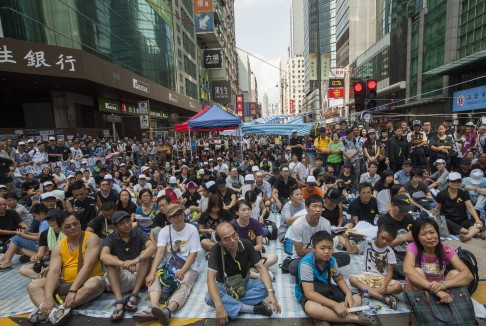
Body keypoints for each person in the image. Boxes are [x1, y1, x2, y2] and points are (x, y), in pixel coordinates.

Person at [26, 213, 105, 325]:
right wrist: (48, 297)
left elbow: (88, 266)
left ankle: (58, 309)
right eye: (68, 226)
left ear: (80, 223)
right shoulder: (59, 246)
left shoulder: (91, 238)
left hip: (88, 282)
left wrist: (73, 290)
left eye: (75, 224)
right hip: (65, 284)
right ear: (61, 230)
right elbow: (54, 272)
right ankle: (53, 312)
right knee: (33, 285)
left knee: (93, 283)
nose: (73, 227)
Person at [295, 231, 379, 325]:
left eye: (330, 248)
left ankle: (325, 317)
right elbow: (309, 293)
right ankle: (354, 318)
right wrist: (335, 305)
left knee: (357, 299)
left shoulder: (331, 260)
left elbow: (338, 279)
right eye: (322, 248)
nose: (327, 251)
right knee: (312, 308)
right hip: (310, 292)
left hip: (326, 288)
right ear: (313, 248)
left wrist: (348, 294)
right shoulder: (306, 264)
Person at [136, 204, 201, 324]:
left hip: (188, 265)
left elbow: (193, 254)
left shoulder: (192, 229)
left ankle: (168, 310)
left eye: (180, 214)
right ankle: (154, 308)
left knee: (185, 283)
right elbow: (160, 252)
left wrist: (183, 270)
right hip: (169, 265)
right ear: (169, 219)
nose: (179, 217)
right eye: (174, 216)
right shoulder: (165, 231)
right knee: (154, 277)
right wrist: (151, 272)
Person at [205, 222, 281, 324]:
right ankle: (252, 309)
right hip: (225, 286)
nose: (233, 240)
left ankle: (229, 305)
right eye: (227, 239)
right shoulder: (215, 250)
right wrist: (219, 306)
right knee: (209, 298)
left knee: (265, 288)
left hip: (244, 283)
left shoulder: (246, 244)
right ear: (220, 242)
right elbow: (210, 279)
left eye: (234, 235)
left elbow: (262, 269)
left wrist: (271, 293)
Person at [403, 218, 474, 303]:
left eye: (432, 232)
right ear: (417, 237)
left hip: (440, 289)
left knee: (455, 273)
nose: (429, 237)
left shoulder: (446, 249)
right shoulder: (413, 247)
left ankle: (442, 298)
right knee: (417, 271)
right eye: (423, 234)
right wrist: (435, 290)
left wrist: (443, 285)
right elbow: (408, 270)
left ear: (437, 233)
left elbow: (468, 275)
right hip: (418, 292)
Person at [100, 211, 155, 321]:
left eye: (128, 221)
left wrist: (135, 260)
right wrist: (124, 264)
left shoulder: (139, 233)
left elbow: (152, 247)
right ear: (116, 227)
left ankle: (134, 295)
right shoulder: (110, 239)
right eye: (122, 223)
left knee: (145, 257)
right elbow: (103, 256)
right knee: (112, 262)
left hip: (138, 275)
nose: (127, 225)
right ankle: (119, 301)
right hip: (120, 278)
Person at [287, 195, 350, 276]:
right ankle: (322, 269)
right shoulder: (298, 224)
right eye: (314, 206)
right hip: (303, 257)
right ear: (307, 208)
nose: (318, 210)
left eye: (320, 207)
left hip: (322, 256)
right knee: (293, 267)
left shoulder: (325, 223)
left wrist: (324, 252)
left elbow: (327, 245)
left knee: (345, 257)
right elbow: (300, 252)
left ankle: (315, 270)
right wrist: (320, 250)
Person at [346, 223, 402, 310]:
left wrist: (385, 284)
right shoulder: (367, 244)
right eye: (383, 237)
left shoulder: (389, 251)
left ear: (392, 241)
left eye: (388, 240)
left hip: (381, 279)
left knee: (398, 287)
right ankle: (382, 298)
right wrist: (346, 237)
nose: (384, 241)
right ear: (377, 234)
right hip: (367, 276)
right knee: (352, 279)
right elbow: (351, 250)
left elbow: (390, 271)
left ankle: (367, 292)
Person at [231, 200, 278, 278]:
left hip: (252, 253)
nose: (247, 212)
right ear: (237, 212)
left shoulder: (256, 223)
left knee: (274, 257)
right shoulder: (232, 225)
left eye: (249, 209)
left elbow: (259, 245)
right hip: (238, 255)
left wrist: (248, 250)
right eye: (243, 210)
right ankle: (259, 274)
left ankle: (250, 271)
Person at [433, 172, 484, 242]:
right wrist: (433, 218)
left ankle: (467, 236)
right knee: (443, 221)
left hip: (462, 219)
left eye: (458, 181)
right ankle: (476, 234)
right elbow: (437, 208)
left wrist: (477, 219)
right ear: (448, 182)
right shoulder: (442, 194)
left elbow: (470, 207)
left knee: (480, 221)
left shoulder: (464, 193)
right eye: (453, 181)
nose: (456, 183)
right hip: (449, 220)